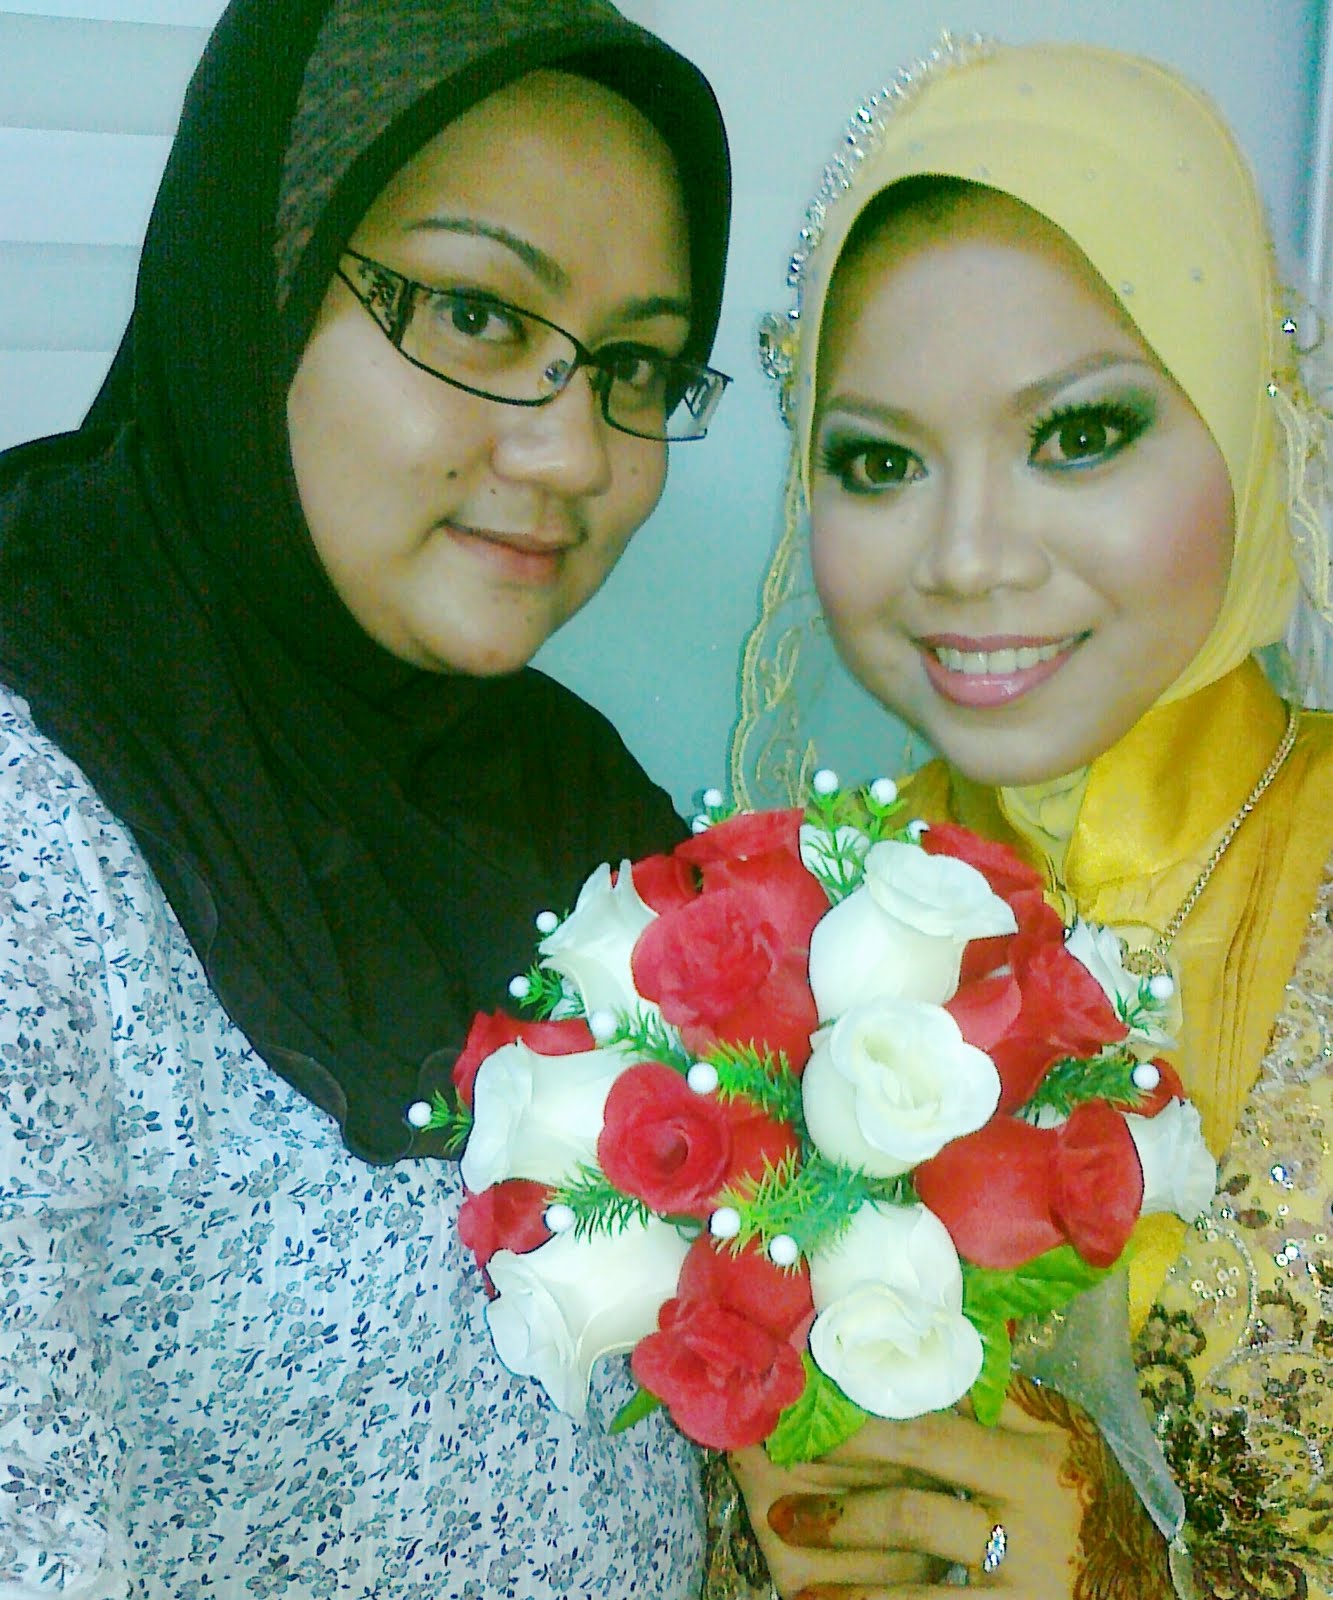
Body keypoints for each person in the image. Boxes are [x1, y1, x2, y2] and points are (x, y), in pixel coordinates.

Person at [0, 0, 731, 1592]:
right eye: (475, 314)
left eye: (633, 365)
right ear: (249, 287)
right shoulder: (34, 833)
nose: (572, 452)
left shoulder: (589, 810)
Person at [716, 35, 1333, 1599]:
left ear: (1244, 419)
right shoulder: (777, 947)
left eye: (1077, 435)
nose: (967, 558)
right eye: (878, 460)